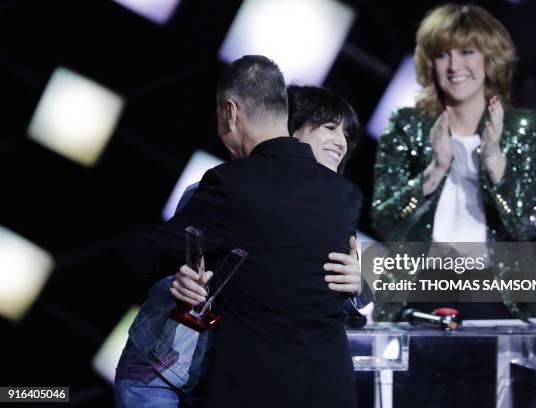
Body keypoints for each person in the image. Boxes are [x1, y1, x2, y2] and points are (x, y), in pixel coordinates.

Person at [119, 55, 362, 408]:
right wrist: (178, 281)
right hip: (170, 370)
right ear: (290, 129)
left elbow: (333, 295)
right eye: (329, 127)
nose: (341, 142)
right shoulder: (223, 187)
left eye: (347, 135)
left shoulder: (340, 201)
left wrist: (361, 281)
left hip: (260, 380)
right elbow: (165, 268)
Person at [371, 4, 536, 321]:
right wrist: (435, 169)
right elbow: (384, 220)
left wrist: (494, 159)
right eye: (442, 54)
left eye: (467, 52)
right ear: (430, 62)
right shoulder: (407, 124)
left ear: (489, 59)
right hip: (420, 285)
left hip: (496, 289)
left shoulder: (522, 127)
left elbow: (523, 225)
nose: (454, 65)